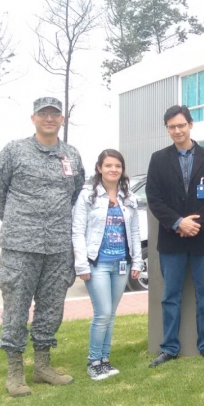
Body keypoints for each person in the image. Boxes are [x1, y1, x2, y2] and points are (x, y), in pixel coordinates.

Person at [0, 97, 85, 397]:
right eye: (43, 114)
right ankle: (15, 371)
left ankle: (42, 366)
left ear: (62, 120)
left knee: (52, 308)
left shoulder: (71, 154)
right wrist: (17, 220)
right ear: (33, 118)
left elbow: (76, 193)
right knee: (16, 308)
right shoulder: (14, 150)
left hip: (57, 246)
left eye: (54, 114)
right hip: (20, 246)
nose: (49, 118)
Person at [145, 105, 204, 365]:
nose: (177, 130)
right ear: (167, 129)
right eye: (172, 127)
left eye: (181, 125)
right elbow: (154, 198)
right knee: (171, 297)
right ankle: (169, 348)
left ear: (191, 125)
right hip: (172, 240)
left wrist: (196, 223)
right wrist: (179, 222)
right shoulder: (158, 159)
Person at [72, 149, 143, 380]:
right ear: (99, 168)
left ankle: (105, 360)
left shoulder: (128, 197)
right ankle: (93, 362)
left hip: (121, 264)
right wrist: (81, 265)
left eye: (118, 166)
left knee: (111, 314)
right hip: (98, 264)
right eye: (109, 165)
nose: (113, 169)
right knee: (102, 313)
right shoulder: (87, 196)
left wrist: (137, 261)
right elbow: (77, 232)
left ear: (122, 170)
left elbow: (134, 231)